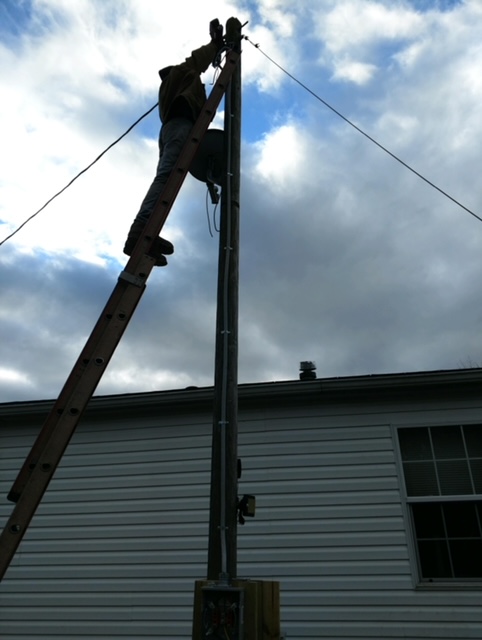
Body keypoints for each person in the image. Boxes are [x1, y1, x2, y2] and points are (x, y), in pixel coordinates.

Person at [123, 20, 225, 266]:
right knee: (167, 177)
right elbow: (195, 61)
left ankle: (147, 234)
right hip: (180, 126)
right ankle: (140, 230)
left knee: (166, 177)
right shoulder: (180, 74)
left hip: (173, 129)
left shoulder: (170, 90)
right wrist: (215, 44)